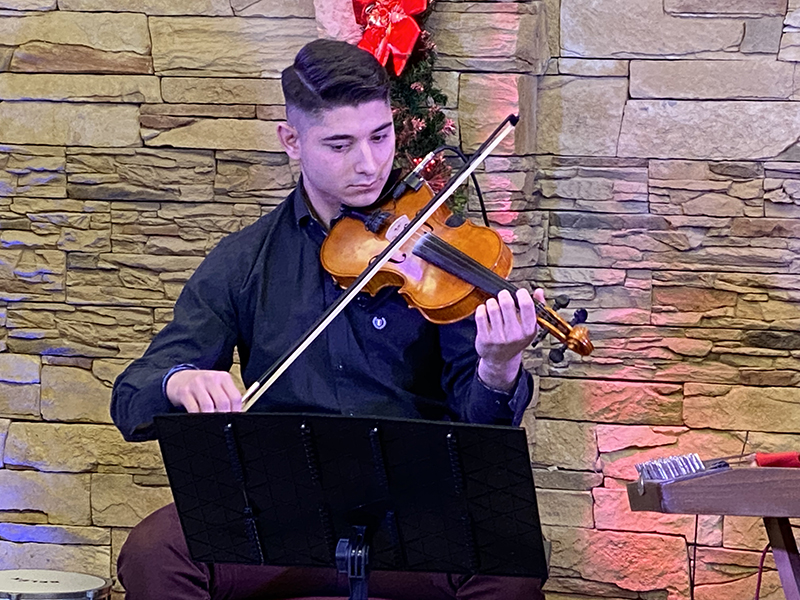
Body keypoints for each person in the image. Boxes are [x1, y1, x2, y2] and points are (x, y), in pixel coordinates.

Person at [111, 38, 545, 600]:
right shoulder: (245, 260)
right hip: (277, 513)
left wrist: (497, 370)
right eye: (340, 144)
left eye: (380, 136)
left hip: (417, 507)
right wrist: (178, 381)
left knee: (510, 560)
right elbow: (133, 395)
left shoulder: (434, 251)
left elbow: (480, 424)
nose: (369, 164)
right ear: (291, 140)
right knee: (155, 553)